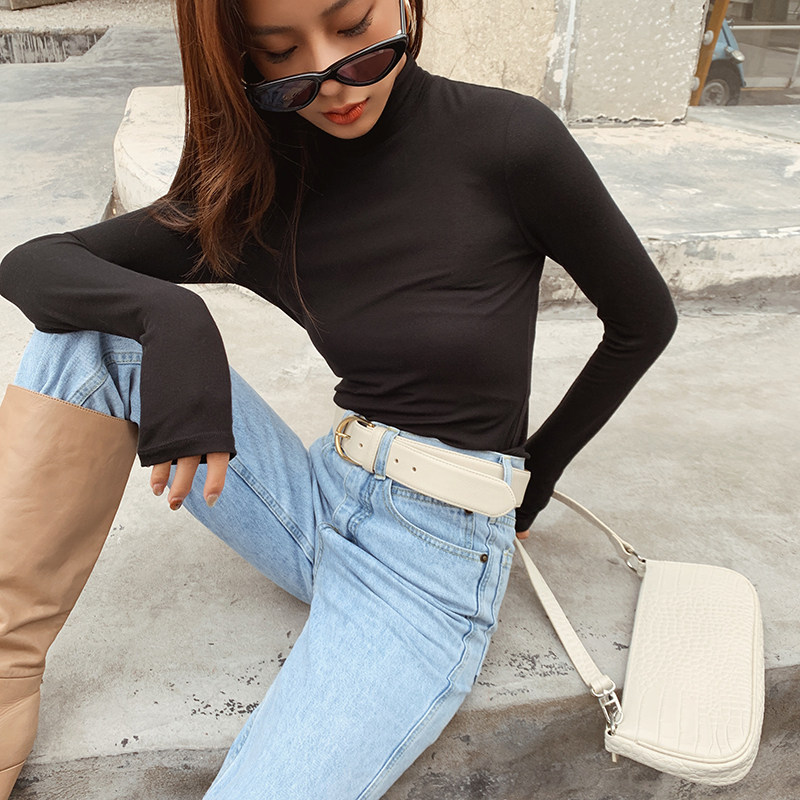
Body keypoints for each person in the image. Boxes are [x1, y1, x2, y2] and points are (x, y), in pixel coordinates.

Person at [0, 0, 678, 797]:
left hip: (430, 558)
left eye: (354, 28)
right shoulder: (262, 184)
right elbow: (35, 264)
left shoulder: (506, 140)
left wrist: (536, 475)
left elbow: (642, 319)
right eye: (279, 51)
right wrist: (171, 317)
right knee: (87, 338)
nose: (329, 77)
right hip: (319, 496)